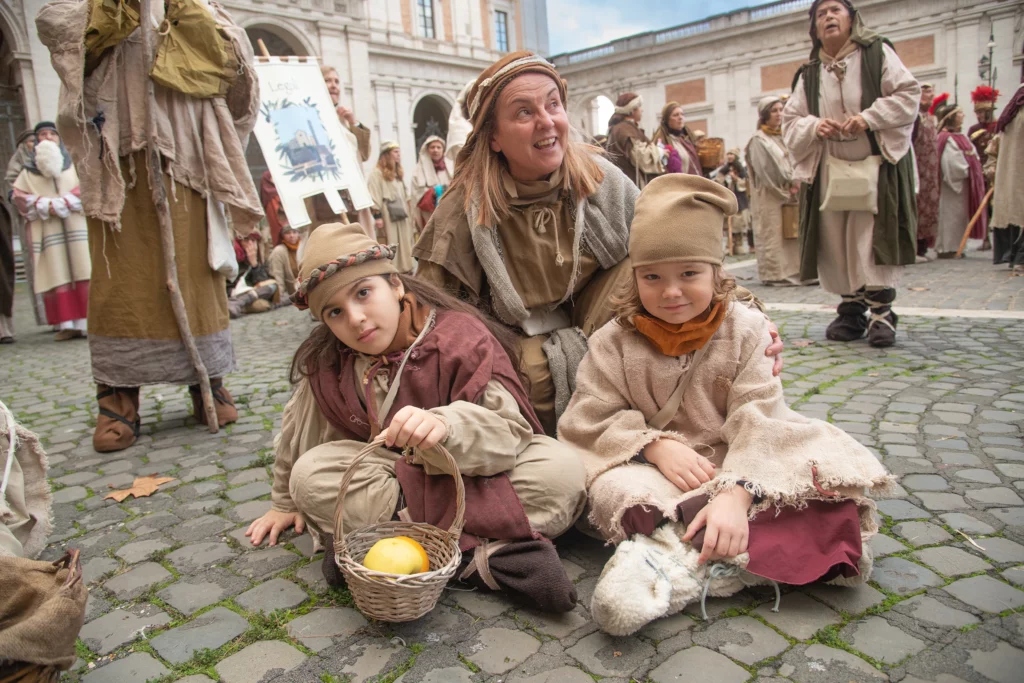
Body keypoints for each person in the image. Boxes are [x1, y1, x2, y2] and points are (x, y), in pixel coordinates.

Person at [557, 174, 893, 636]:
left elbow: (760, 415)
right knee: (617, 489)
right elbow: (589, 416)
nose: (671, 292)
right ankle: (733, 557)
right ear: (634, 278)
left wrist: (737, 493)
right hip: (654, 469)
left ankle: (676, 557)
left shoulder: (747, 329)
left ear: (717, 272)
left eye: (689, 274)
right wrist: (654, 445)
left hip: (741, 457)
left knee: (813, 466)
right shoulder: (612, 341)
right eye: (652, 277)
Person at [414, 51, 784, 434]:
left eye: (553, 104)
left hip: (600, 319)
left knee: (650, 275)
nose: (547, 122)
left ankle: (679, 424)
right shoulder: (462, 210)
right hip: (514, 341)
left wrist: (748, 321)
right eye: (523, 112)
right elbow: (430, 314)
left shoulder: (598, 177)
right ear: (493, 136)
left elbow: (675, 247)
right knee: (522, 379)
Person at [245, 222, 587, 612]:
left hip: (473, 474)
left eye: (363, 293)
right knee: (311, 474)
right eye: (336, 312)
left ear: (395, 285)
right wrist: (284, 502)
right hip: (394, 477)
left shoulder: (459, 337)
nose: (355, 318)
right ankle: (479, 553)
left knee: (561, 472)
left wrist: (448, 424)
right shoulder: (329, 361)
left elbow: (510, 432)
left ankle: (397, 546)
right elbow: (299, 431)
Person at [37, 0, 263, 452]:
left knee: (197, 275)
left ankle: (208, 381)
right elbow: (58, 32)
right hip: (122, 157)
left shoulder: (201, 8)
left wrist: (193, 25)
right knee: (124, 278)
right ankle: (119, 394)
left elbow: (238, 79)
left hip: (187, 161)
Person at [782, 0, 920, 348]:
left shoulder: (876, 54)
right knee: (837, 238)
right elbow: (791, 120)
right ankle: (851, 309)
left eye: (835, 10)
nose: (828, 17)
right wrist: (815, 126)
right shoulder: (810, 72)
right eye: (820, 13)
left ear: (852, 19)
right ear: (813, 28)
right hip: (830, 166)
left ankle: (881, 314)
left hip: (874, 164)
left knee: (870, 236)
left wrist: (869, 117)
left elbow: (908, 93)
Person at [12, 122, 90, 341]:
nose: (47, 137)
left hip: (75, 225)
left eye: (52, 134)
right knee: (57, 272)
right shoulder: (28, 171)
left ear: (59, 138)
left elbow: (87, 185)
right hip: (48, 229)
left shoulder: (73, 164)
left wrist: (69, 200)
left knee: (85, 270)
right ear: (36, 141)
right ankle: (66, 324)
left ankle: (89, 322)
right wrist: (42, 203)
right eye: (42, 134)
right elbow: (18, 195)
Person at [302, 65, 373, 234]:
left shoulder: (344, 119)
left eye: (336, 81)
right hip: (327, 202)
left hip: (354, 197)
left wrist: (353, 122)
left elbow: (364, 154)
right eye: (328, 81)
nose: (334, 85)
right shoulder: (310, 116)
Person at [747, 96, 803, 285]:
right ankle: (775, 273)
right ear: (764, 115)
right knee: (773, 234)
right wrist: (786, 186)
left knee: (791, 234)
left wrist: (797, 181)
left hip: (791, 193)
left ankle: (795, 271)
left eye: (781, 110)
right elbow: (765, 170)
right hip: (771, 195)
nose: (779, 114)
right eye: (774, 111)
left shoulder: (784, 136)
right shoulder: (758, 140)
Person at [933, 95, 987, 260]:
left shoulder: (961, 137)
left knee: (959, 218)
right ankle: (947, 247)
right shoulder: (946, 138)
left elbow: (973, 156)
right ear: (952, 117)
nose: (963, 116)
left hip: (964, 186)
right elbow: (951, 163)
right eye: (960, 113)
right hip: (953, 186)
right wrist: (968, 170)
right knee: (949, 217)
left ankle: (957, 246)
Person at [987, 78, 1024, 273]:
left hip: (1013, 173)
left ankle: (1014, 257)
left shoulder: (1011, 110)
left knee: (1016, 211)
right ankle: (1019, 259)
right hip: (1017, 171)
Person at [367, 142, 416, 273]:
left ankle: (406, 269)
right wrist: (377, 216)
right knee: (391, 241)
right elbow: (374, 194)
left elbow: (406, 195)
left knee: (405, 242)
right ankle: (392, 270)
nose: (399, 155)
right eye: (395, 152)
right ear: (386, 155)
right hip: (387, 214)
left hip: (402, 214)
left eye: (399, 152)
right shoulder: (376, 174)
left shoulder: (397, 174)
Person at [607, 93, 663, 187]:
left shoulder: (625, 128)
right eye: (639, 107)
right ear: (632, 111)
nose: (642, 110)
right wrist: (660, 152)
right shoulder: (624, 129)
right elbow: (641, 158)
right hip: (632, 184)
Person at [968, 85, 999, 252]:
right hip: (980, 171)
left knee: (997, 206)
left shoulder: (999, 127)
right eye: (977, 113)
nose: (979, 116)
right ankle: (985, 238)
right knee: (984, 207)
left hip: (997, 170)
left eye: (981, 112)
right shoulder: (974, 130)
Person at [913, 83, 940, 260]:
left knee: (929, 207)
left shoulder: (932, 118)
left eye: (931, 91)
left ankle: (923, 245)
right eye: (926, 92)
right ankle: (914, 245)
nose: (930, 95)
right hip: (918, 167)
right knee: (917, 205)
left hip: (930, 172)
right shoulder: (914, 117)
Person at [226, 231, 278, 318]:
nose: (250, 244)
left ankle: (238, 304)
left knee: (274, 289)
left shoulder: (260, 257)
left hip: (256, 294)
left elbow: (263, 282)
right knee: (264, 303)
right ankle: (237, 304)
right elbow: (229, 285)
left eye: (253, 241)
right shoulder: (234, 259)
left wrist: (254, 265)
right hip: (236, 293)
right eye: (246, 240)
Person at [410, 135, 453, 229]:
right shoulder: (418, 171)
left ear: (443, 150)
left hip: (449, 212)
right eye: (432, 147)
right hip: (429, 215)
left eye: (438, 147)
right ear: (427, 150)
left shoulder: (451, 168)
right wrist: (433, 192)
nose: (435, 150)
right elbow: (416, 193)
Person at [714, 148, 751, 255]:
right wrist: (724, 179)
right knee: (728, 223)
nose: (730, 156)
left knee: (739, 223)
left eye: (732, 154)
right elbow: (718, 180)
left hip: (740, 199)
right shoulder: (724, 169)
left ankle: (738, 245)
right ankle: (729, 245)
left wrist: (736, 179)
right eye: (728, 154)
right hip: (728, 198)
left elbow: (745, 183)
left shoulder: (741, 169)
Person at [650, 102, 702, 176]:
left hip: (696, 183)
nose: (680, 117)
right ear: (667, 120)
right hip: (679, 184)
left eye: (682, 114)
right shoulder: (661, 142)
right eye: (675, 115)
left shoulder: (687, 140)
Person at [268, 224, 300, 303]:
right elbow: (278, 275)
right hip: (292, 289)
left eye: (294, 232)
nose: (292, 235)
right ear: (283, 236)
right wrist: (279, 295)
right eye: (288, 233)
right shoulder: (279, 251)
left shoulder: (304, 246)